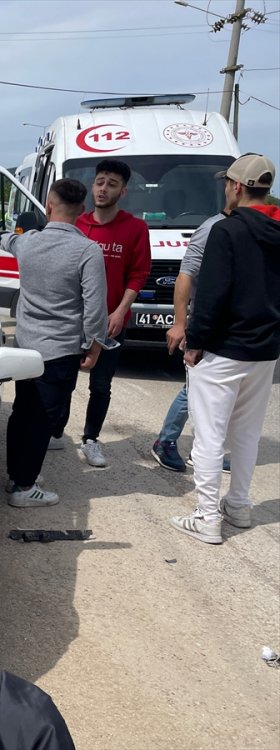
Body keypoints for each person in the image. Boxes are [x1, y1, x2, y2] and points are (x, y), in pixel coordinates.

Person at [171, 153, 280, 545]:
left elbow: (213, 293)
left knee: (209, 436)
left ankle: (206, 517)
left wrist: (194, 342)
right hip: (265, 349)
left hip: (224, 349)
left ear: (236, 186)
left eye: (226, 183)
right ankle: (239, 506)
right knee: (247, 434)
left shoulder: (227, 231)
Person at [0, 179, 107, 507]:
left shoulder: (28, 243)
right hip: (60, 351)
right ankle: (24, 488)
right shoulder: (88, 251)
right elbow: (95, 307)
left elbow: (6, 240)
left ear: (48, 206)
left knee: (22, 412)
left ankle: (17, 474)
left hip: (25, 348)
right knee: (43, 419)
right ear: (82, 211)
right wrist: (93, 344)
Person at [53, 159, 151, 467]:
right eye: (99, 181)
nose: (103, 188)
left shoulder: (135, 228)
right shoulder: (77, 224)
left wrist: (121, 311)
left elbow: (138, 274)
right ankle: (56, 432)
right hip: (73, 320)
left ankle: (91, 439)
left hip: (110, 321)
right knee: (65, 378)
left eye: (111, 183)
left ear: (123, 191)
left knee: (100, 384)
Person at [151, 212, 228, 472]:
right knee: (194, 386)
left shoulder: (247, 225)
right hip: (206, 321)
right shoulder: (211, 228)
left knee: (221, 391)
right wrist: (181, 323)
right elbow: (185, 275)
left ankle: (206, 449)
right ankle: (166, 441)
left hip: (233, 325)